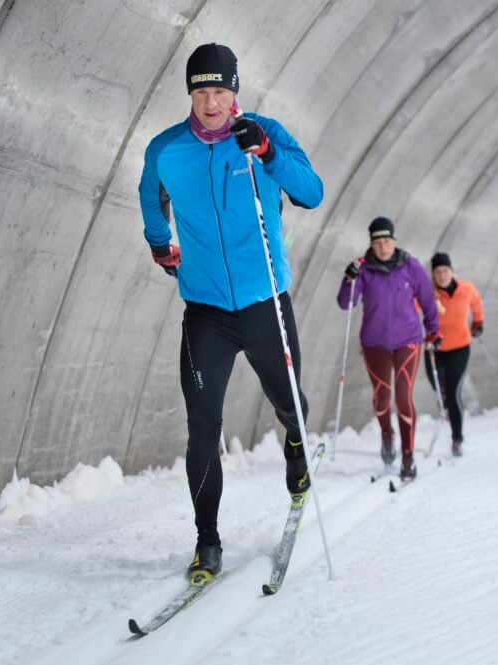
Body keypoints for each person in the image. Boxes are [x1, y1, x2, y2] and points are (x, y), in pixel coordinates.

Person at [139, 43, 324, 581]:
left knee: (289, 401)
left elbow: (311, 192)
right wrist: (159, 243)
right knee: (202, 428)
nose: (212, 102)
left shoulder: (262, 134)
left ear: (235, 91)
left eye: (220, 90)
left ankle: (296, 443)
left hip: (264, 299)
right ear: (190, 94)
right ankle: (207, 541)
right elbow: (151, 196)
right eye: (201, 91)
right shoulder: (167, 149)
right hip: (206, 312)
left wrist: (268, 151)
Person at [337, 217, 442, 479]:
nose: (383, 247)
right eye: (377, 242)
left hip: (408, 340)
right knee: (383, 396)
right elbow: (345, 303)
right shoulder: (363, 270)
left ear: (394, 241)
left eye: (387, 241)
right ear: (371, 244)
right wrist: (348, 279)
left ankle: (408, 455)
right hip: (375, 344)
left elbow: (427, 300)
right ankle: (387, 435)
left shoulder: (411, 266)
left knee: (403, 396)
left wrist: (433, 329)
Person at [424, 252, 484, 457]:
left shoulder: (466, 289)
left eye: (445, 271)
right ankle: (447, 406)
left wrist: (478, 322)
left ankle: (457, 438)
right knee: (439, 390)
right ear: (433, 275)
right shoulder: (428, 293)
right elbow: (412, 311)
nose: (442, 275)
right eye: (438, 272)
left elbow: (477, 304)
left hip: (459, 348)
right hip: (435, 349)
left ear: (452, 271)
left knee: (453, 391)